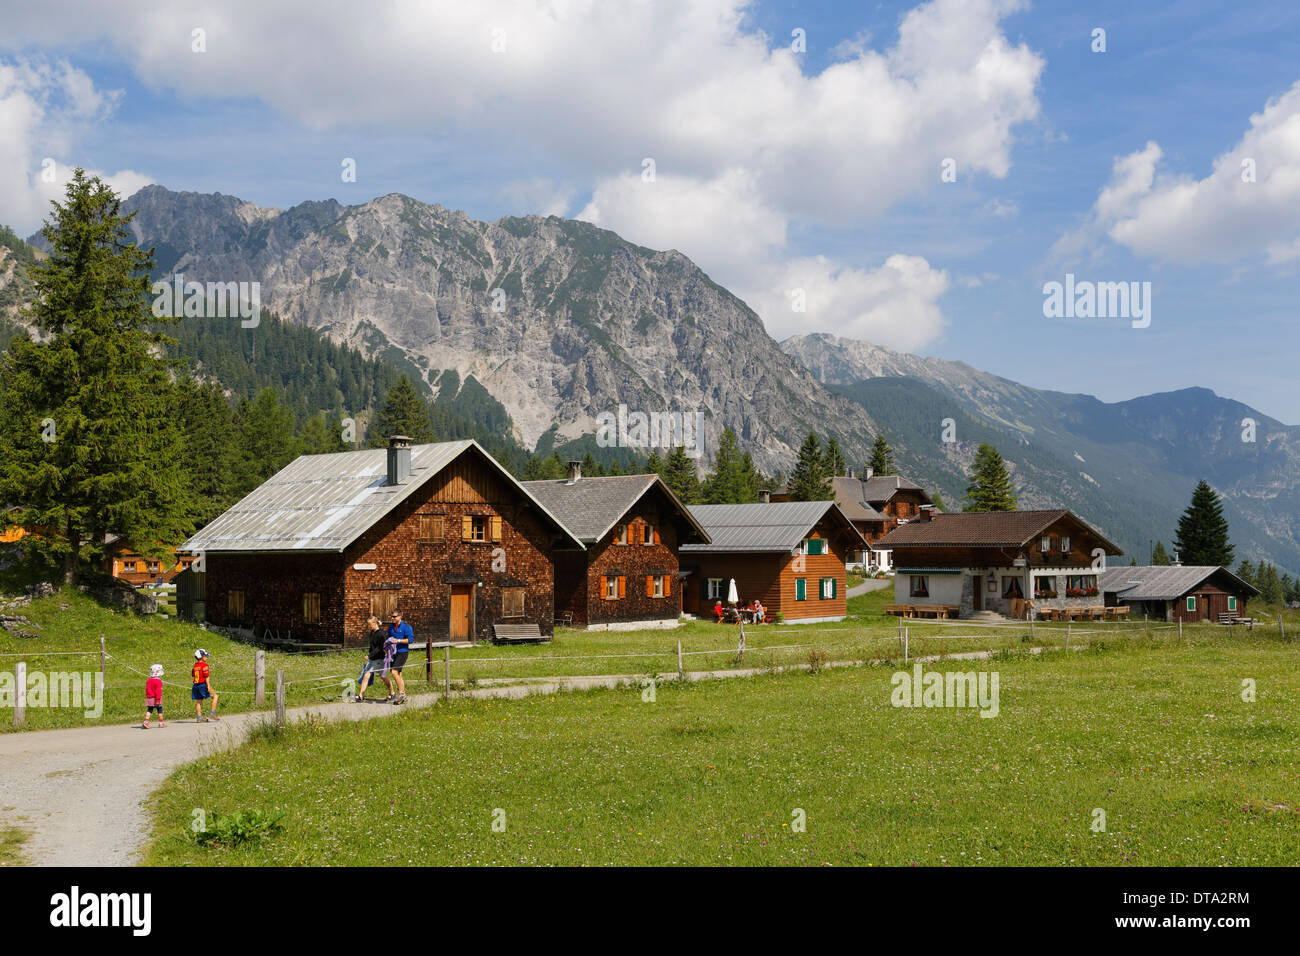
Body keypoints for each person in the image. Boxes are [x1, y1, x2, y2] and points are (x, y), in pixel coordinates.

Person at [355, 616, 394, 702]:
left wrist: (370, 656)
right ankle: (361, 695)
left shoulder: (381, 634)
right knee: (367, 675)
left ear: (375, 623)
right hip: (372, 659)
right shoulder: (372, 632)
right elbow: (372, 646)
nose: (369, 626)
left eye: (370, 624)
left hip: (379, 659)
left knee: (382, 676)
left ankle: (392, 692)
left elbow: (380, 648)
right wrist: (369, 656)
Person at [387, 610, 413, 704]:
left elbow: (410, 640)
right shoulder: (390, 627)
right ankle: (403, 696)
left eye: (394, 617)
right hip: (392, 653)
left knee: (394, 672)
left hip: (402, 652)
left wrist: (397, 640)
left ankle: (401, 693)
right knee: (398, 674)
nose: (392, 618)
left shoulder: (406, 627)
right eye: (391, 617)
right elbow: (388, 638)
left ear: (400, 616)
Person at [192, 649, 219, 722]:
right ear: (201, 657)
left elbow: (193, 675)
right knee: (215, 696)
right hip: (203, 685)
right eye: (205, 656)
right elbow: (207, 677)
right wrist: (209, 686)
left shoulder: (195, 666)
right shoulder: (205, 665)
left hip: (195, 685)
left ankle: (199, 717)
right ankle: (212, 713)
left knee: (199, 701)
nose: (206, 657)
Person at [144, 664, 166, 729]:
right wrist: (158, 699)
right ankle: (161, 723)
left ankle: (146, 721)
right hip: (156, 698)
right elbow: (158, 691)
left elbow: (147, 689)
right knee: (159, 710)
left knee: (149, 710)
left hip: (149, 698)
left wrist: (148, 696)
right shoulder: (158, 681)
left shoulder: (149, 680)